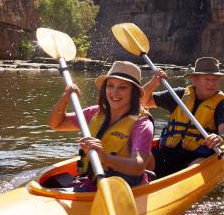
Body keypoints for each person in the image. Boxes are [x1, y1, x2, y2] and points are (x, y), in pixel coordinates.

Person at [48, 61, 154, 191]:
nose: (114, 92)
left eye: (123, 87)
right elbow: (56, 124)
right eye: (110, 85)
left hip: (124, 188)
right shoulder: (95, 113)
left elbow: (138, 166)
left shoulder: (142, 124)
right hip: (94, 182)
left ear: (134, 92)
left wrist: (104, 158)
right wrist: (65, 98)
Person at [141, 57, 224, 177]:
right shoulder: (178, 95)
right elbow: (143, 101)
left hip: (195, 157)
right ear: (194, 80)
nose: (212, 83)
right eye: (207, 79)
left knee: (196, 166)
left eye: (215, 79)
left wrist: (221, 137)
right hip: (166, 152)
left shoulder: (222, 105)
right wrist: (153, 83)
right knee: (142, 155)